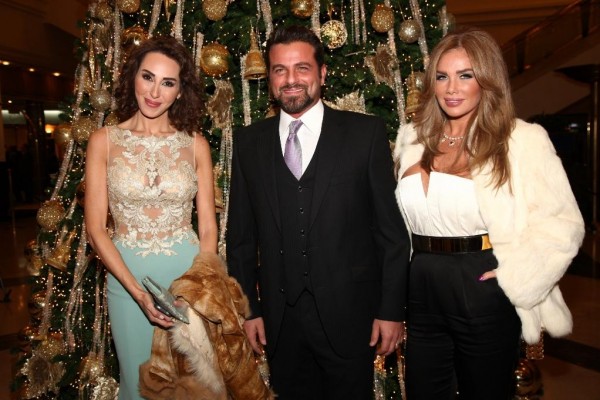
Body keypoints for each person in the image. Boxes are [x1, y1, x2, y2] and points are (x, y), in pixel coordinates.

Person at [393, 27, 585, 399]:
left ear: (487, 80)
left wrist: (516, 277)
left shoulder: (520, 140)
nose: (452, 88)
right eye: (442, 77)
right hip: (421, 284)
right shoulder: (413, 138)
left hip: (480, 282)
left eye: (465, 76)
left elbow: (563, 224)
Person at [226, 25, 410, 399]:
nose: (290, 80)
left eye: (302, 68)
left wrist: (391, 310)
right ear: (270, 78)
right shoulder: (248, 143)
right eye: (280, 70)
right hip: (281, 324)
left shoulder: (365, 134)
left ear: (322, 74)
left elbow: (391, 234)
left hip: (351, 319)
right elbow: (241, 239)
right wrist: (249, 310)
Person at [85, 36, 217, 400]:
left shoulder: (196, 144)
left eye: (168, 82)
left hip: (187, 279)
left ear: (180, 91)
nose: (155, 92)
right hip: (127, 281)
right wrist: (139, 295)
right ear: (133, 77)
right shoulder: (103, 141)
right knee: (139, 385)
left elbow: (208, 227)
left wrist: (197, 287)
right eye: (148, 77)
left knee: (191, 386)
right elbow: (96, 230)